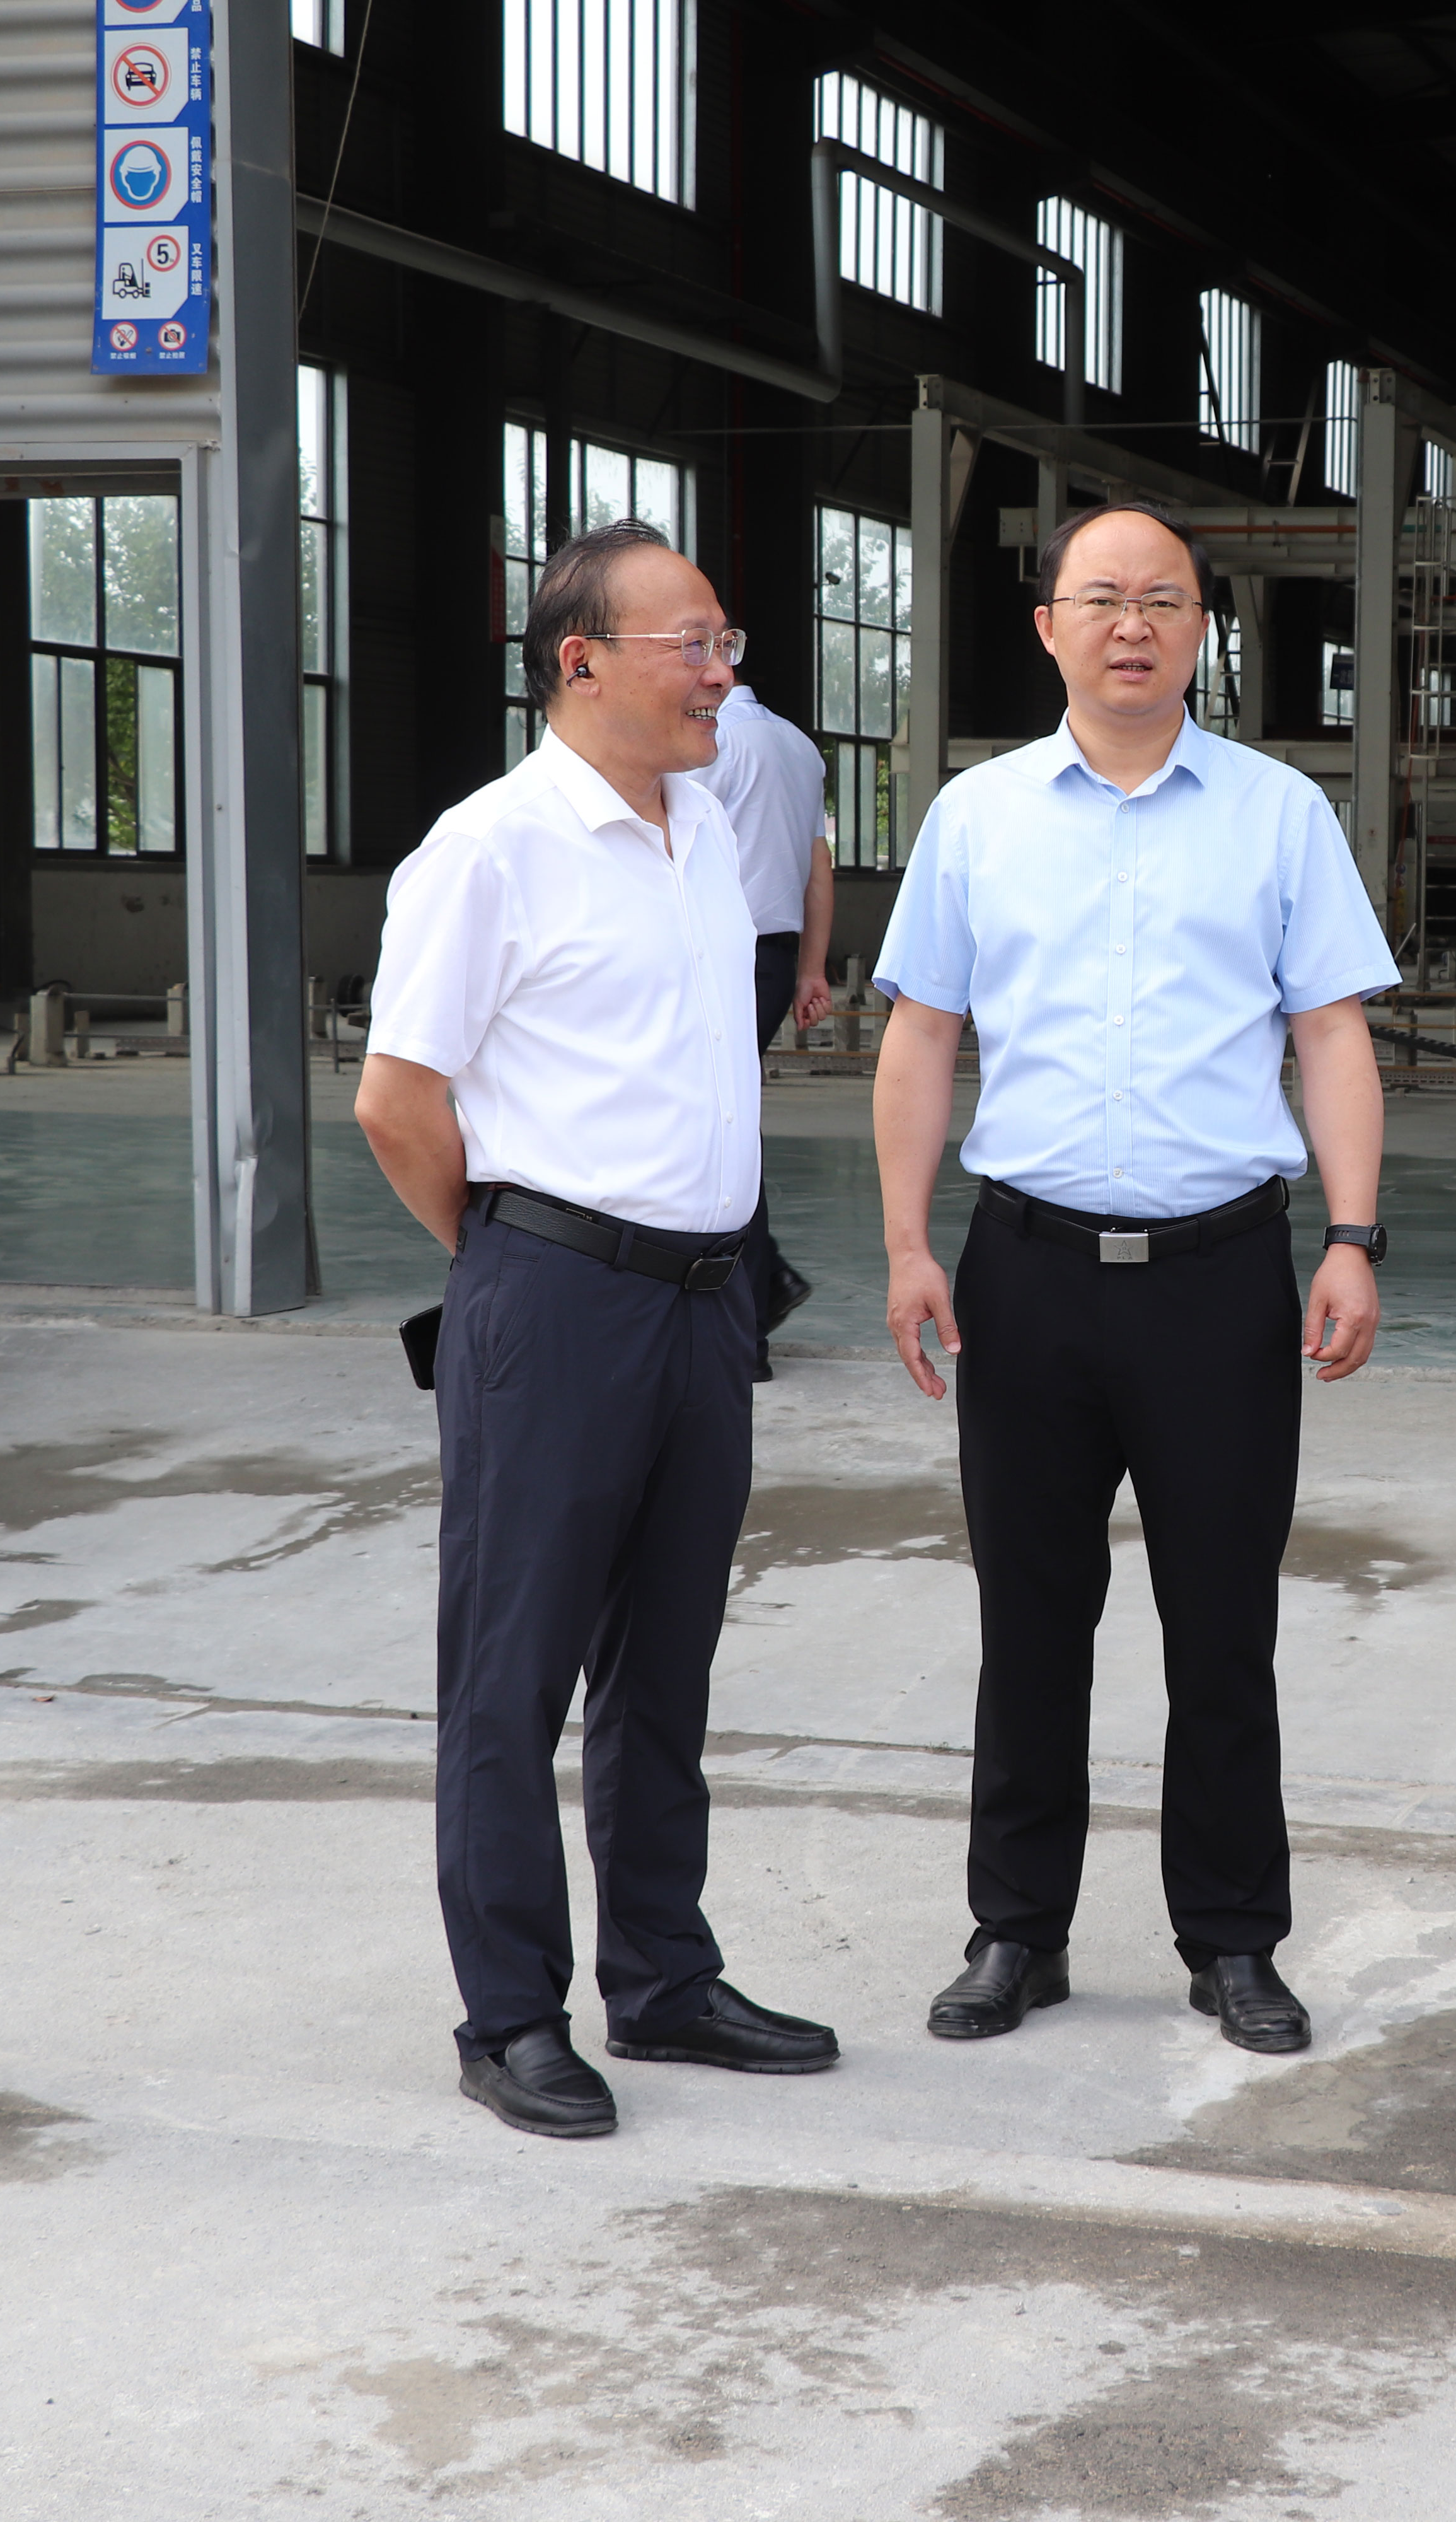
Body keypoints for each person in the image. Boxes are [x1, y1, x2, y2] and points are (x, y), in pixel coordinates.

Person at [870, 500, 1399, 2056]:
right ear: (1047, 625)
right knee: (1031, 1617)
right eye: (1099, 596)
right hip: (1025, 1273)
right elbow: (921, 1033)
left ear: (1199, 629)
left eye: (1163, 598)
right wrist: (905, 1243)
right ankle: (1016, 1929)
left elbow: (1331, 1032)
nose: (1131, 624)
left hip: (1217, 1277)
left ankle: (1233, 1938)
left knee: (1221, 1624)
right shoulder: (979, 816)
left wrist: (1353, 1236)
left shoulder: (1277, 813)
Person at [354, 518, 840, 2142]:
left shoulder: (702, 830)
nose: (722, 676)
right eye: (692, 645)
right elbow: (397, 1099)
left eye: (727, 643)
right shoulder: (489, 847)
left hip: (708, 1298)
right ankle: (510, 2013)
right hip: (558, 1298)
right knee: (514, 1670)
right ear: (580, 661)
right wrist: (515, 1261)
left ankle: (664, 1974)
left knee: (665, 1660)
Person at [702, 676, 834, 1379]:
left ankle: (751, 1312)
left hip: (720, 954)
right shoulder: (800, 748)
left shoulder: (708, 739)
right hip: (775, 959)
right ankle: (762, 1287)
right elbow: (818, 867)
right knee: (725, 1121)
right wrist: (812, 969)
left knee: (714, 1126)